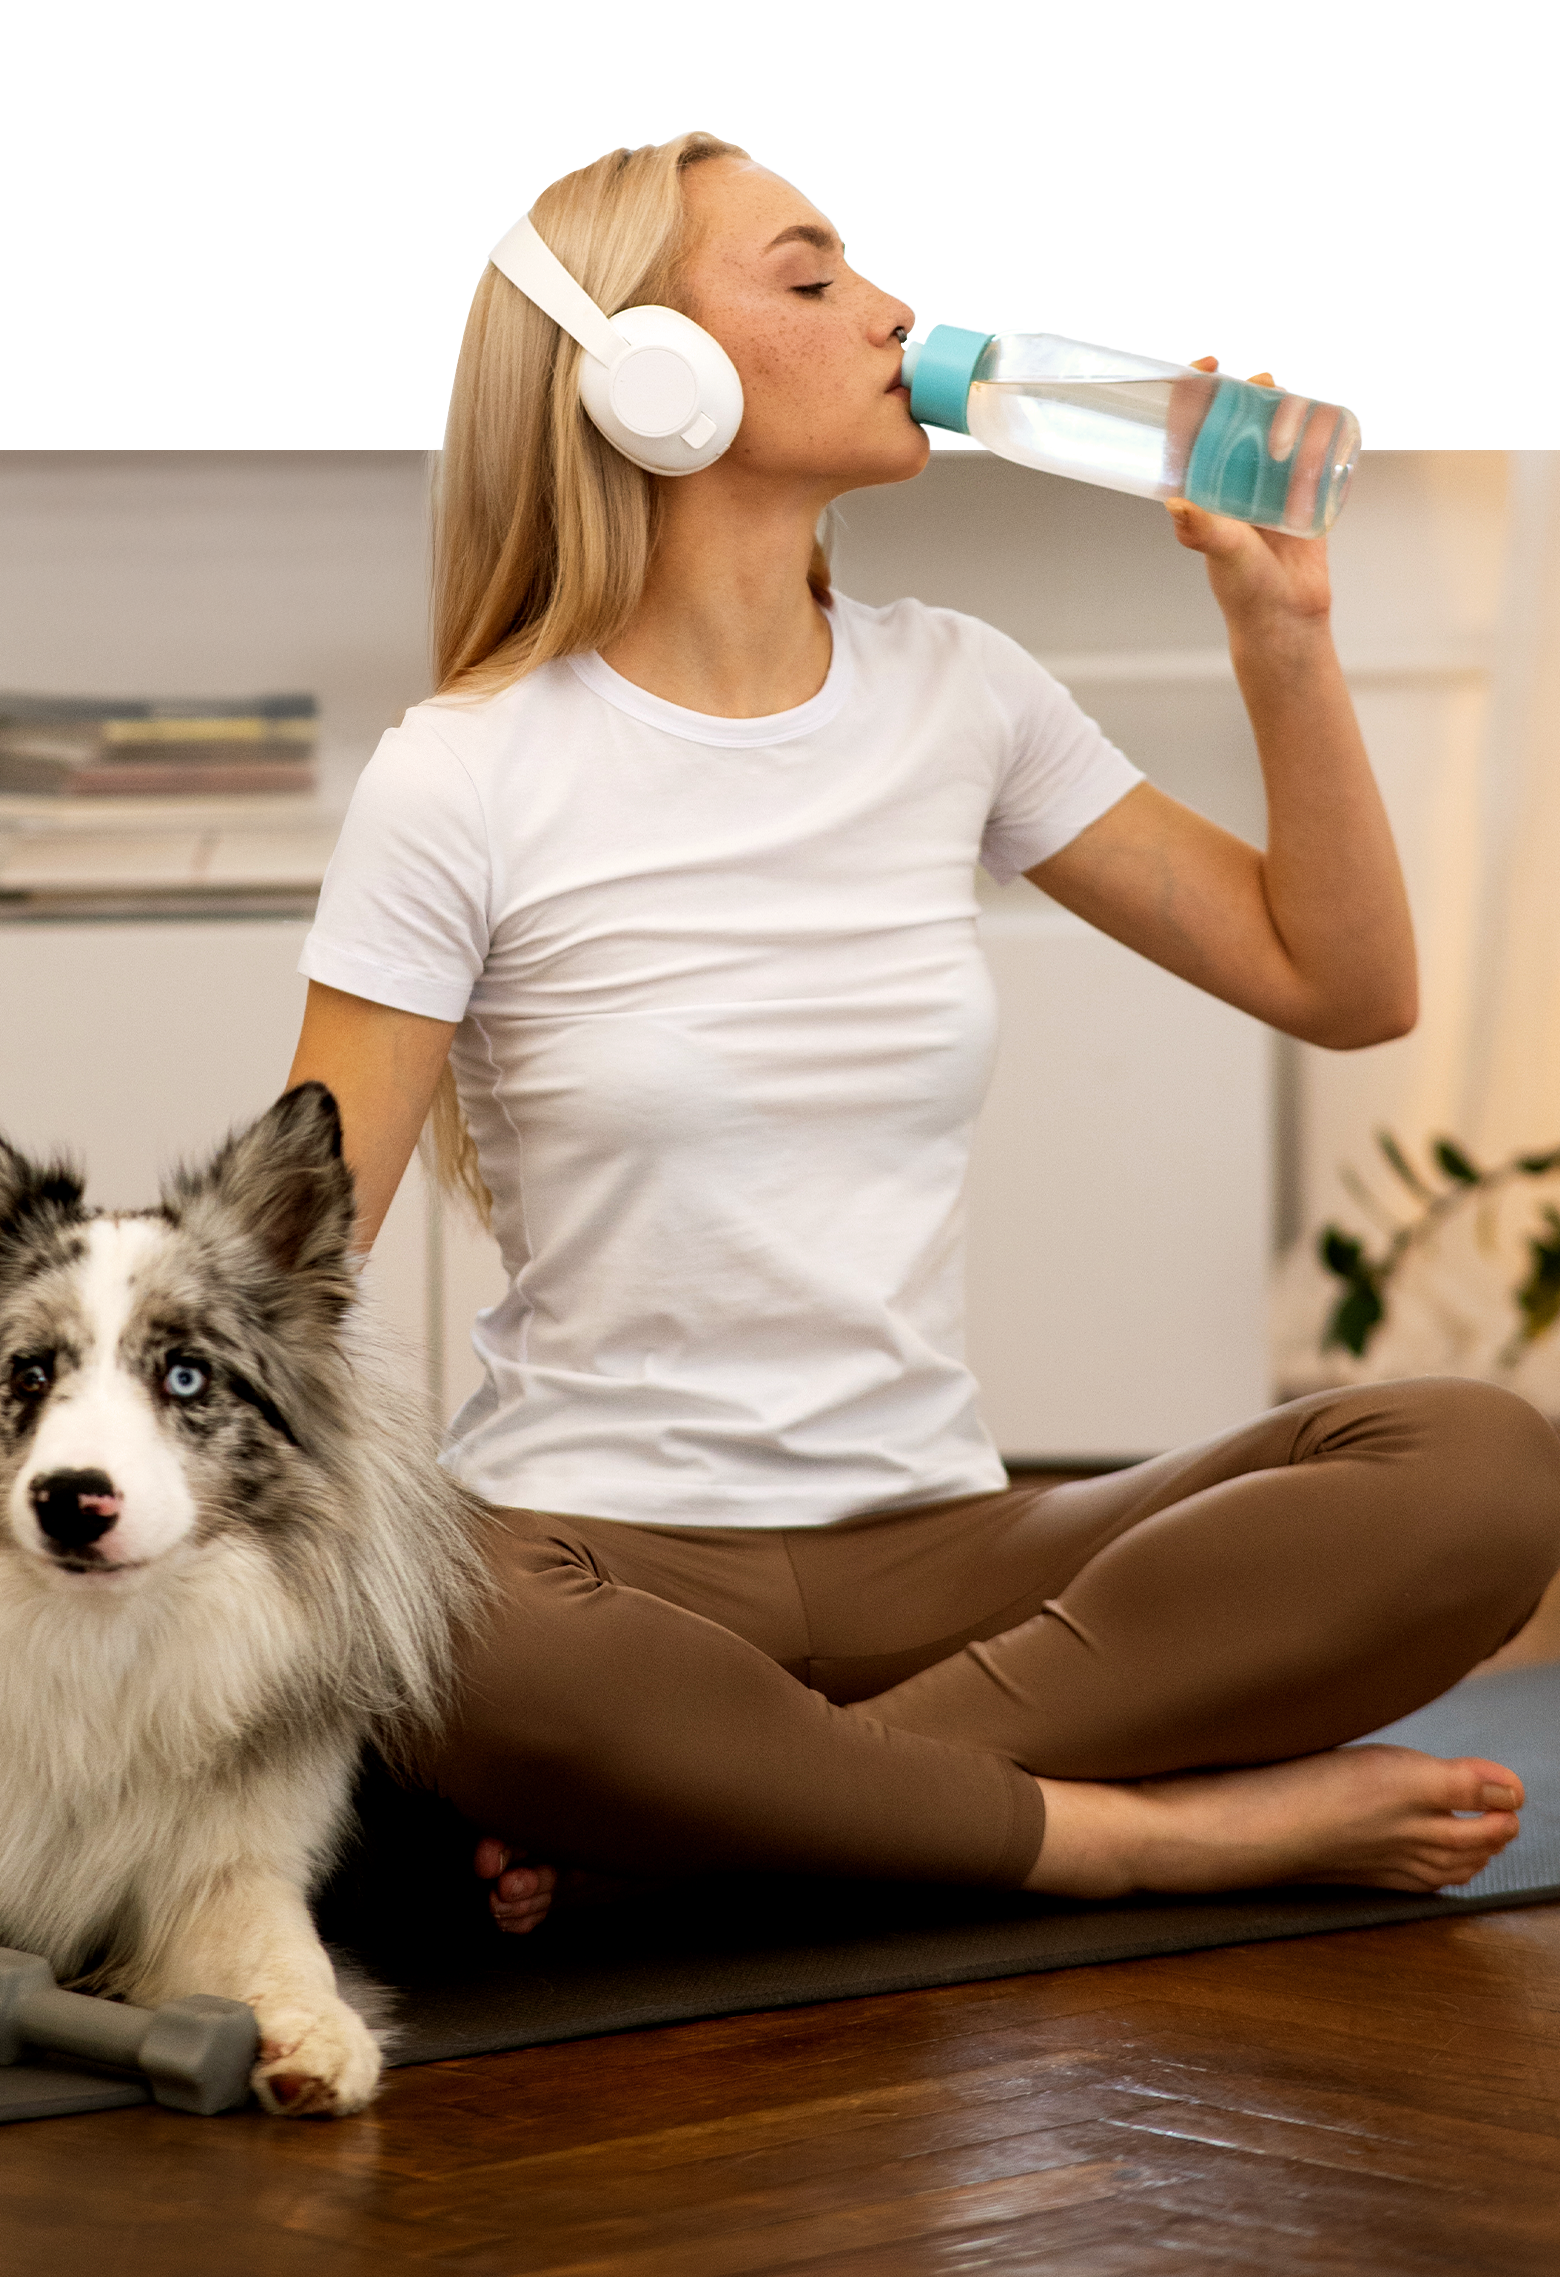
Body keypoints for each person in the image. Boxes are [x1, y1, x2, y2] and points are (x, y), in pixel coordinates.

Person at [290, 133, 1560, 1935]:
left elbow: (1344, 991)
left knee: (1482, 1468)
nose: (896, 313)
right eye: (812, 279)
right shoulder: (464, 774)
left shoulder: (962, 692)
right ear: (652, 379)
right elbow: (291, 1269)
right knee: (445, 1628)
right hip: (597, 1573)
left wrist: (1281, 626)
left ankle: (741, 1819)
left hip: (950, 1547)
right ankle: (1153, 1839)